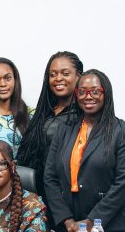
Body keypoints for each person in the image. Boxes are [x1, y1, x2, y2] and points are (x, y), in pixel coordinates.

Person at [44, 69, 125, 232]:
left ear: (105, 93)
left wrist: (92, 221)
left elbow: (123, 183)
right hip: (68, 228)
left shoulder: (124, 131)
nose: (88, 96)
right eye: (82, 92)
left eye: (95, 91)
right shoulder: (63, 129)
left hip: (109, 227)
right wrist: (67, 219)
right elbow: (50, 177)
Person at [17, 52, 83, 200]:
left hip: (69, 196)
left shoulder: (85, 116)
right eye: (53, 74)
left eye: (65, 73)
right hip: (37, 195)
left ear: (78, 76)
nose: (58, 78)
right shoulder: (43, 113)